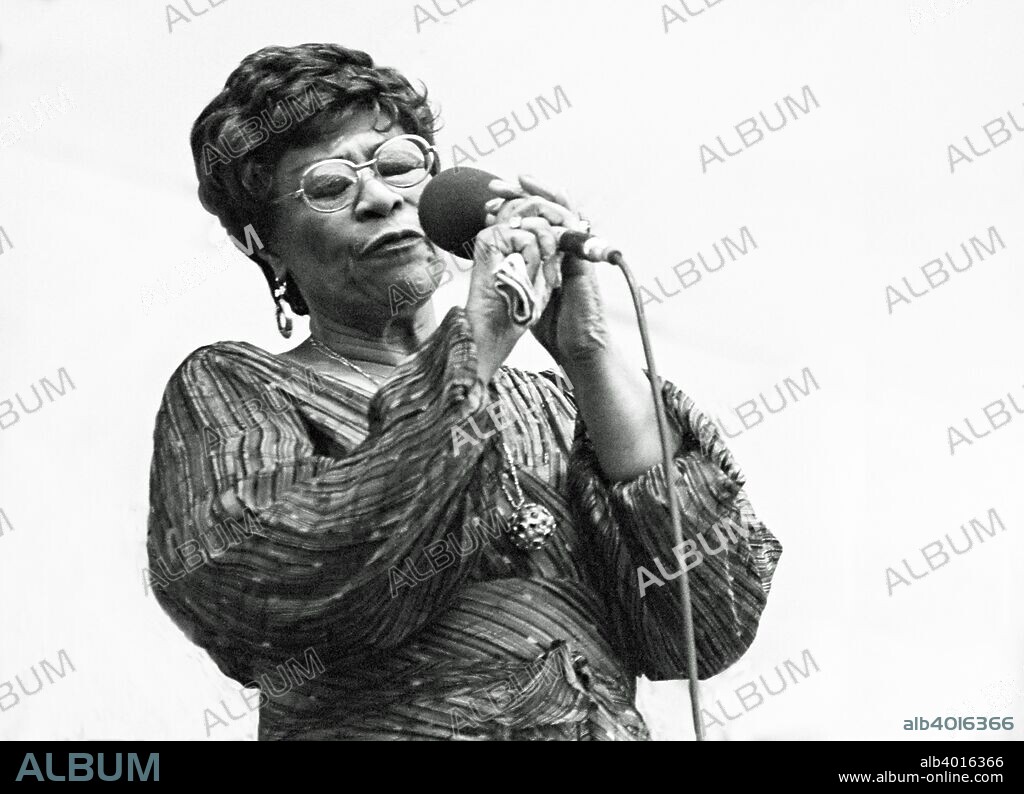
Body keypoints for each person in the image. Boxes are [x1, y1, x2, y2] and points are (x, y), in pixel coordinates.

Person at [146, 42, 783, 741]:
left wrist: (588, 353)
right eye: (329, 185)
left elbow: (708, 624)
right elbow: (269, 593)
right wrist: (475, 344)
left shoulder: (557, 403)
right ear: (260, 243)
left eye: (399, 165)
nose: (382, 197)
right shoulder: (240, 388)